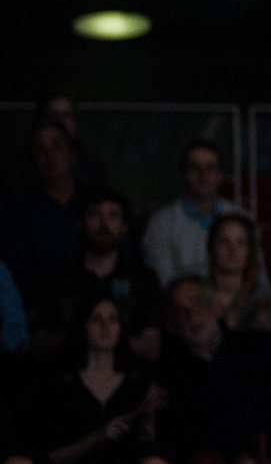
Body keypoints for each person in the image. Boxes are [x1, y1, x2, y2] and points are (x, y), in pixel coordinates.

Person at [153, 276, 271, 464]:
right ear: (172, 326)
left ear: (216, 308)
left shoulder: (260, 345)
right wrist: (238, 456)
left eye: (198, 303)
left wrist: (264, 450)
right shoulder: (172, 374)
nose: (192, 315)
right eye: (180, 311)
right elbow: (185, 435)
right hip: (222, 457)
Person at [32, 191, 164, 363]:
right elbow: (39, 344)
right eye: (95, 215)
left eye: (113, 215)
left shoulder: (143, 279)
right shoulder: (55, 278)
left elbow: (152, 347)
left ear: (124, 227)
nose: (104, 224)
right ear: (80, 224)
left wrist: (100, 340)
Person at [33, 295, 166, 464]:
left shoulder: (137, 382)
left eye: (112, 319)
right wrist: (97, 437)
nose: (105, 326)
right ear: (83, 326)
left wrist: (148, 422)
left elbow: (147, 445)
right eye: (96, 319)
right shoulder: (59, 382)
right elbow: (48, 455)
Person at [140, 140, 246, 288]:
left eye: (210, 168)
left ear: (220, 175)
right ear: (182, 175)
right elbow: (164, 282)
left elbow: (257, 277)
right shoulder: (161, 223)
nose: (203, 175)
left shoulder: (241, 218)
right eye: (195, 167)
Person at [0, 122, 85, 289]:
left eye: (56, 146)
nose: (50, 155)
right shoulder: (18, 213)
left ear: (72, 154)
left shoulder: (96, 204)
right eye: (40, 150)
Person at [205, 213, 271, 333]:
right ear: (211, 246)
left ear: (250, 249)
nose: (233, 250)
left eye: (240, 242)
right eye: (224, 241)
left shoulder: (262, 295)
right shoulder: (198, 293)